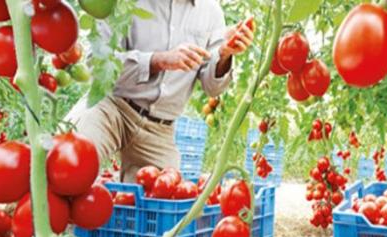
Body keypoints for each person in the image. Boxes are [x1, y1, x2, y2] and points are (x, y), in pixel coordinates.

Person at [66, 0, 254, 182]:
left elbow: (212, 88)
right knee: (72, 160)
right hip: (112, 107)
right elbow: (97, 64)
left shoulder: (211, 12)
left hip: (159, 129)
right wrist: (158, 60)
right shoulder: (121, 2)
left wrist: (223, 55)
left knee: (163, 202)